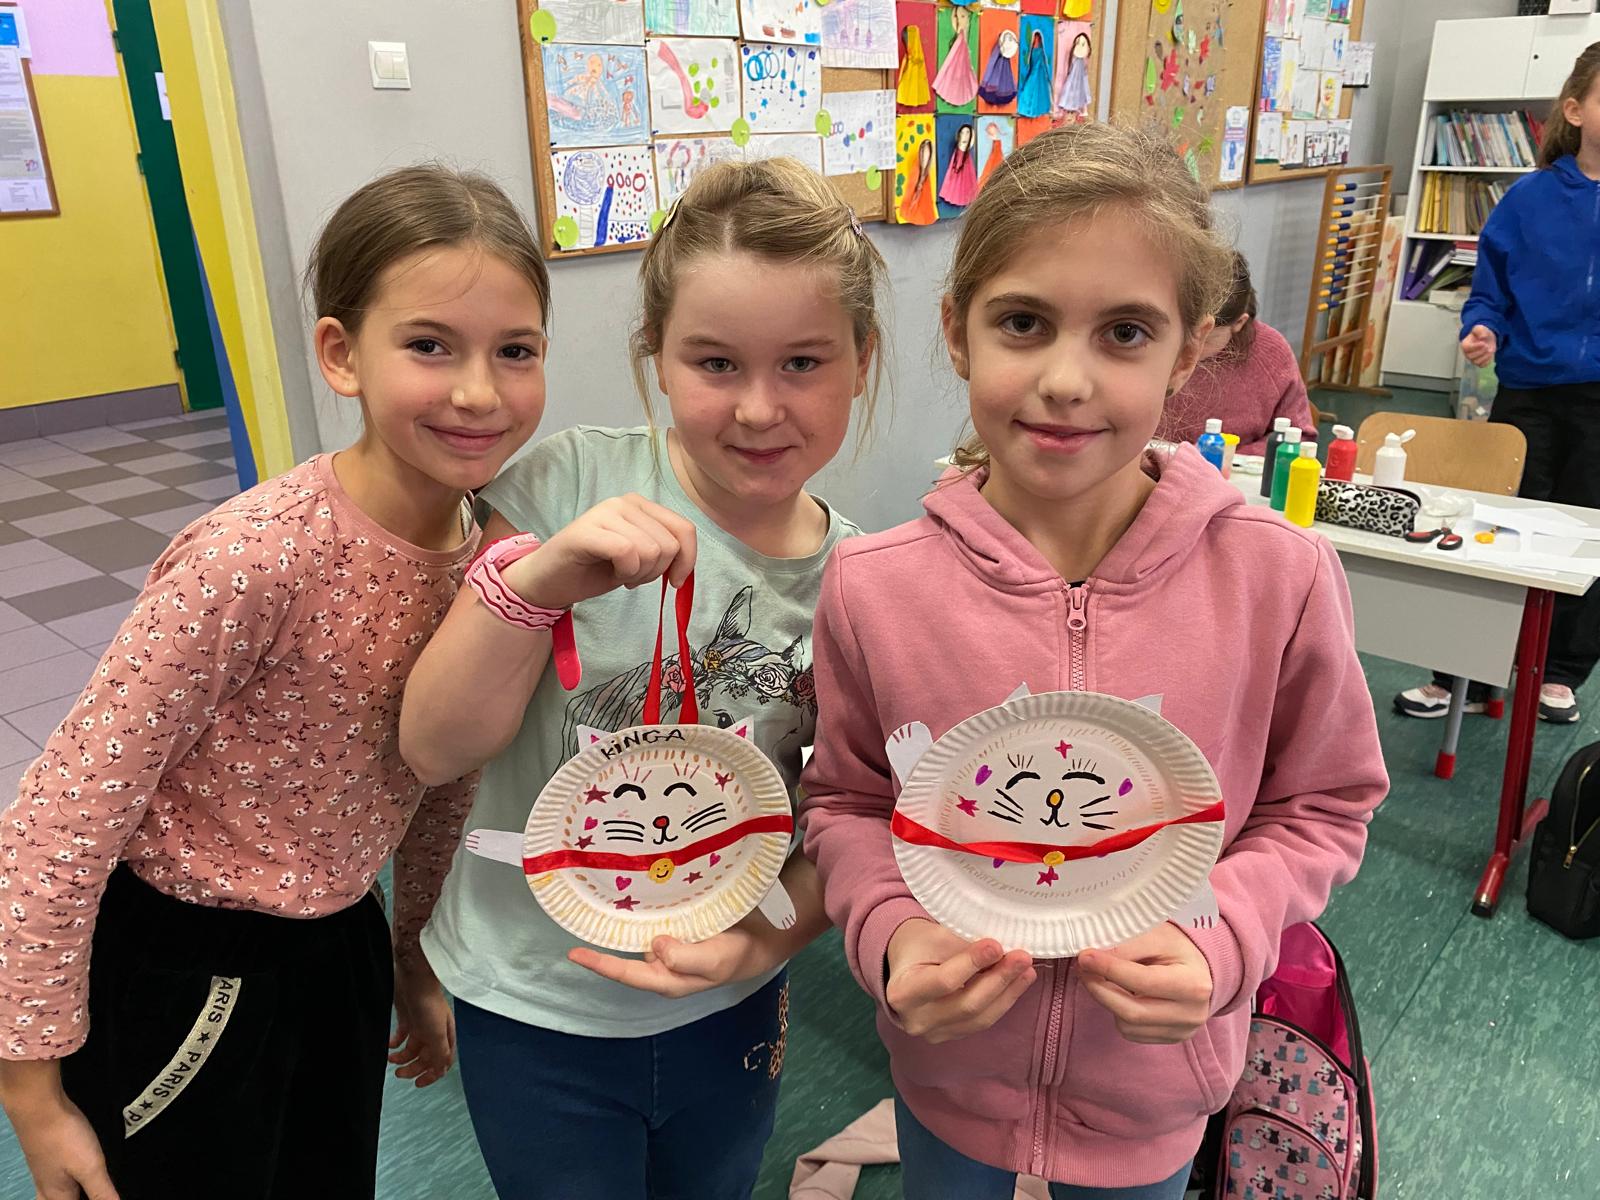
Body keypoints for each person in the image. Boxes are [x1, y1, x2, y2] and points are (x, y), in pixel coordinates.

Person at [801, 123, 1387, 1200]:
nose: (1065, 381)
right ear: (958, 331)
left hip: (1154, 1089)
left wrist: (1222, 936)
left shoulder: (1278, 575)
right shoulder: (874, 585)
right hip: (949, 1074)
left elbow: (1324, 805)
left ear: (1189, 355)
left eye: (1124, 333)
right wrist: (889, 936)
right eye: (1023, 322)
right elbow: (846, 800)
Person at [0, 164, 551, 1200]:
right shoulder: (254, 559)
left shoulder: (493, 555)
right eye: (430, 345)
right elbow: (62, 815)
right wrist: (30, 1091)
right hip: (187, 966)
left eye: (515, 351)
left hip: (339, 944)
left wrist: (411, 954)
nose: (480, 391)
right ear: (342, 355)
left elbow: (443, 776)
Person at [400, 157, 887, 1200]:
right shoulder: (561, 485)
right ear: (656, 357)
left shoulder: (864, 580)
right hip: (534, 1000)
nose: (758, 408)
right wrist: (534, 583)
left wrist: (766, 943)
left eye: (803, 363)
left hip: (730, 1000)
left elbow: (848, 819)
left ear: (861, 361)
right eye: (716, 363)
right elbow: (434, 747)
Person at [1395, 42, 1600, 725]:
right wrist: (1482, 327)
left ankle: (1559, 670)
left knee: (1588, 536)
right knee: (1499, 527)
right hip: (1530, 391)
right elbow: (1489, 294)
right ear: (1575, 111)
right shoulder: (1529, 198)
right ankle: (1462, 673)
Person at [1163, 251, 1315, 454]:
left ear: (1239, 323)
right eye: (1183, 334)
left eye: (1207, 339)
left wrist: (1225, 457)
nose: (1187, 349)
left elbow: (1297, 436)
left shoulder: (1270, 353)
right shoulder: (1155, 343)